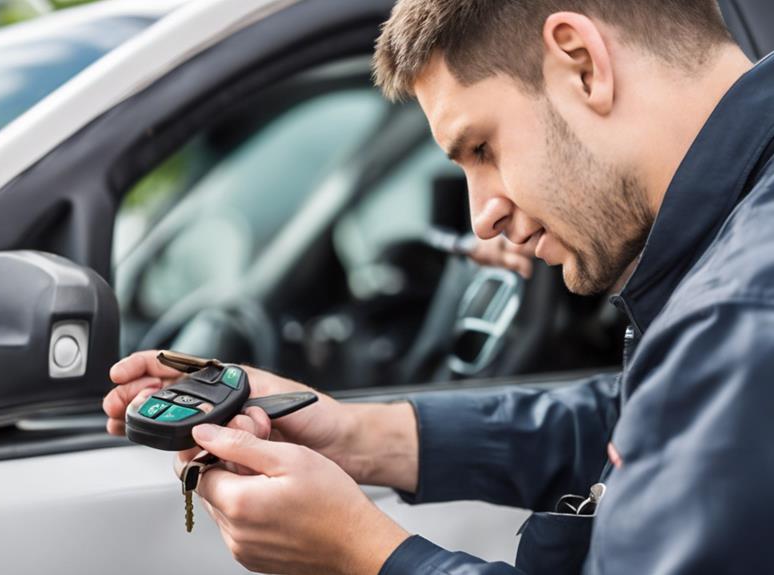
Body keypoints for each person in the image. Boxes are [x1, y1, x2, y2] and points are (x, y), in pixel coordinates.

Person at [103, 0, 774, 572]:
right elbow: (651, 418)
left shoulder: (739, 318)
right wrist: (359, 435)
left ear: (581, 62)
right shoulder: (727, 294)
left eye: (481, 148)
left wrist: (365, 552)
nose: (482, 219)